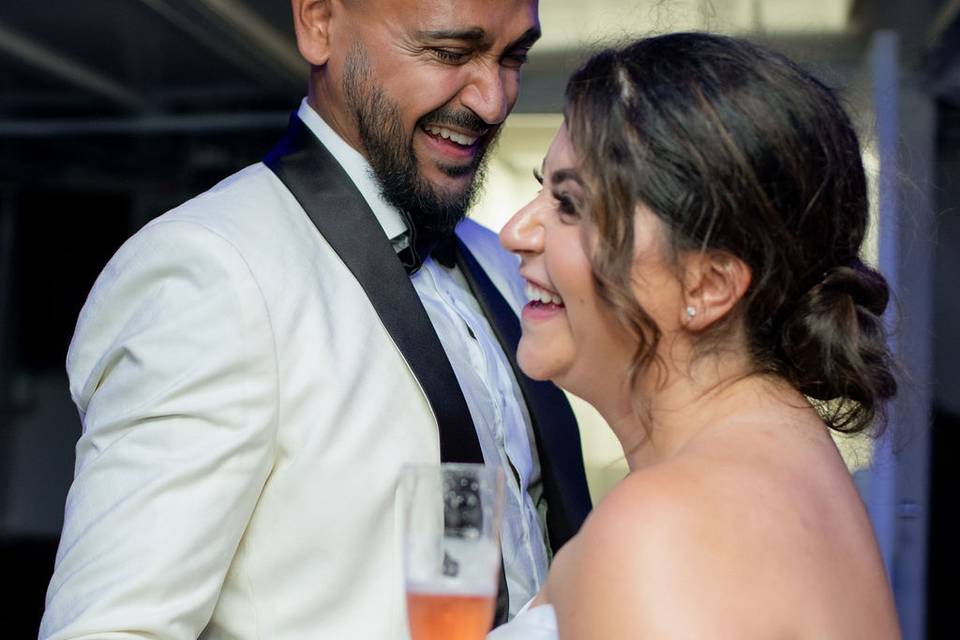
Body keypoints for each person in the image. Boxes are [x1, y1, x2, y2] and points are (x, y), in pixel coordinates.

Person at [39, 1, 592, 638]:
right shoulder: (211, 271)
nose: (493, 101)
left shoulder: (501, 258)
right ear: (319, 22)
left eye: (513, 57)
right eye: (448, 52)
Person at [489, 32, 901, 639]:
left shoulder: (667, 530)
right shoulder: (779, 471)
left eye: (571, 205)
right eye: (541, 186)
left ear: (707, 285)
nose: (515, 231)